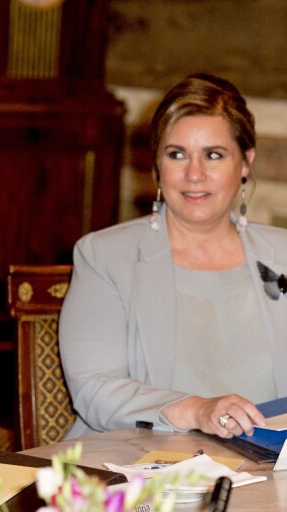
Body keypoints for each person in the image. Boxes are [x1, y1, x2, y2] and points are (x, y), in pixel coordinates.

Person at [59, 73, 287, 441]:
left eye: (213, 155)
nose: (194, 174)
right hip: (141, 473)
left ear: (245, 162)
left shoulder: (284, 256)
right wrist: (197, 410)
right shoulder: (105, 256)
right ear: (157, 165)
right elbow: (94, 389)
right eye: (176, 154)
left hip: (268, 476)